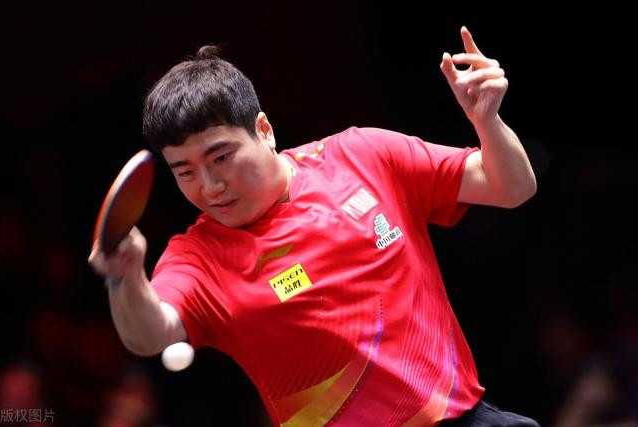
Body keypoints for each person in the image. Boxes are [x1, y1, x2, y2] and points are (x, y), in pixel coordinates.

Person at [89, 26, 539, 426]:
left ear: (264, 130)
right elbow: (150, 333)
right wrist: (125, 277)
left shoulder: (364, 156)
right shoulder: (199, 257)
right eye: (185, 172)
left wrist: (488, 121)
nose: (209, 187)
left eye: (221, 157)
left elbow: (512, 187)